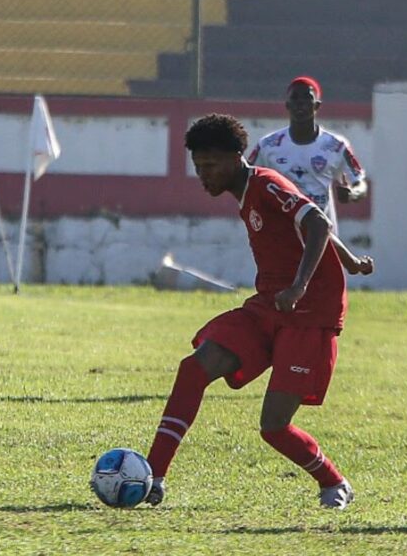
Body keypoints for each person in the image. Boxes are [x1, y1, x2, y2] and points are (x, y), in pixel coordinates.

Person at [144, 113, 373, 509]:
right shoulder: (248, 193)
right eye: (199, 168)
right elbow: (305, 222)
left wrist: (300, 286)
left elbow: (316, 222)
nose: (204, 176)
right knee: (194, 367)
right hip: (268, 307)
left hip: (308, 314)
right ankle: (152, 476)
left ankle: (334, 482)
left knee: (273, 427)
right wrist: (350, 260)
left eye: (211, 166)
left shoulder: (266, 184)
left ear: (235, 158)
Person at [247, 76, 368, 233]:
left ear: (317, 106)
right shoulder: (267, 145)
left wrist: (352, 194)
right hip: (282, 235)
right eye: (295, 98)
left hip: (323, 236)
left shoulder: (336, 145)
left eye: (307, 97)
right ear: (287, 105)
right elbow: (246, 178)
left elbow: (361, 183)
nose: (300, 102)